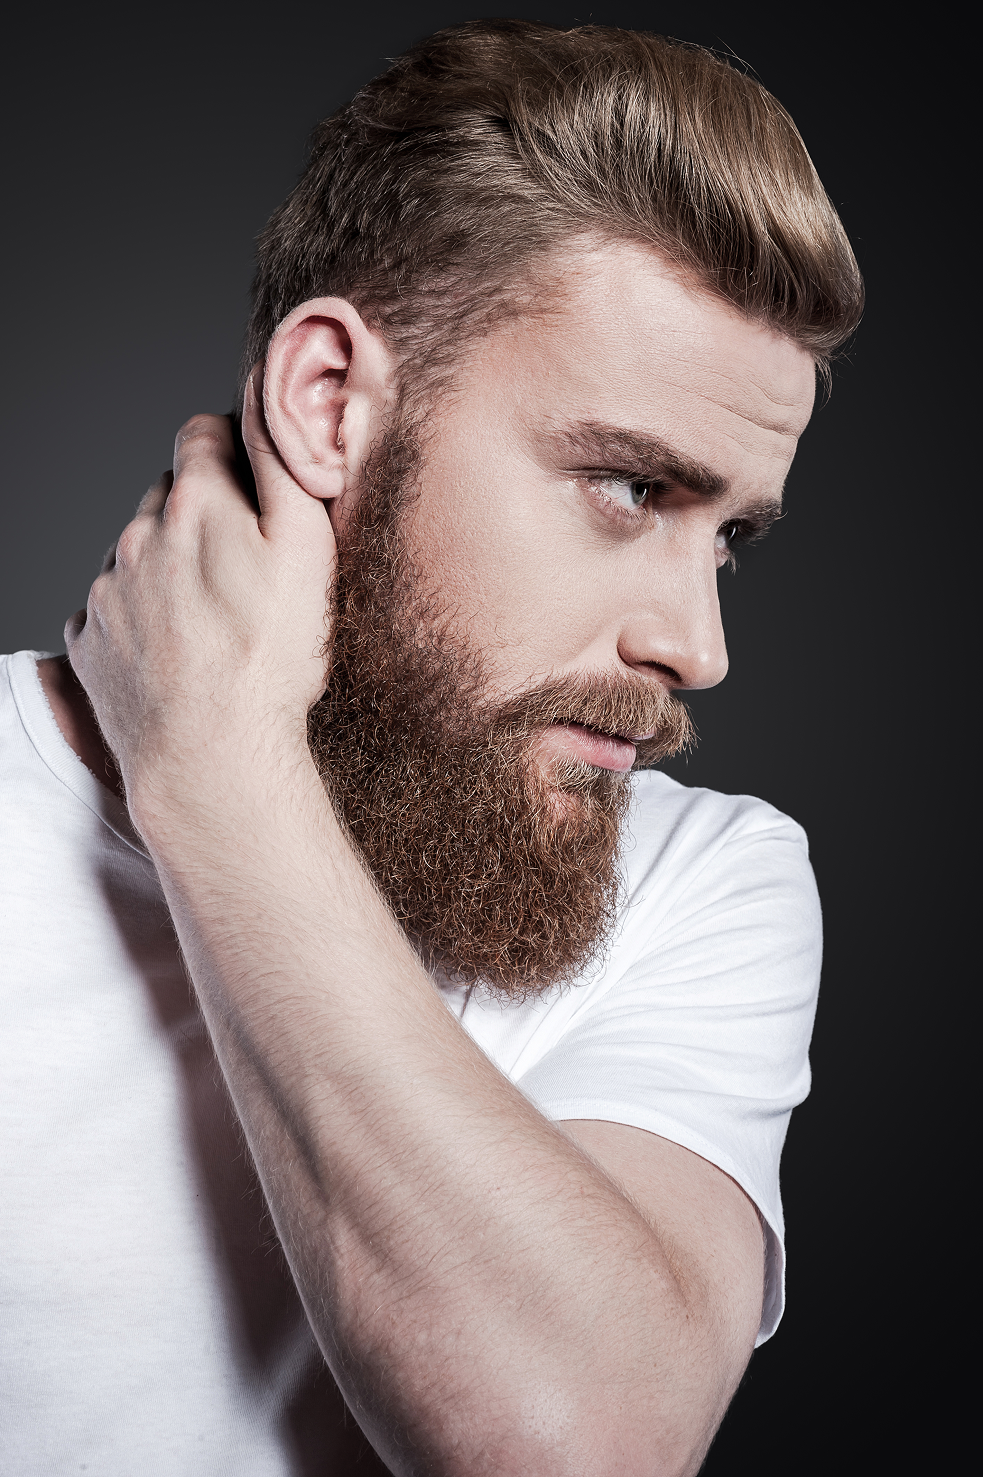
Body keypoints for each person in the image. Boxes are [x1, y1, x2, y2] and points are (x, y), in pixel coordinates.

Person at [0, 20, 862, 1476]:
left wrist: (215, 766)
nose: (697, 648)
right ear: (331, 404)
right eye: (629, 487)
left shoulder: (704, 881)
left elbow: (583, 1445)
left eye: (729, 537)